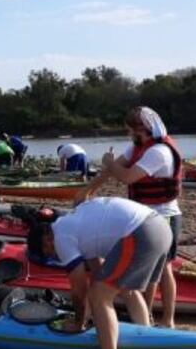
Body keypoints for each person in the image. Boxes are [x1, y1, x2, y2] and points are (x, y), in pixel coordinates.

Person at [27, 197, 171, 349]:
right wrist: (88, 315)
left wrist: (79, 323)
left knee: (99, 296)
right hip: (160, 227)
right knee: (124, 288)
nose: (53, 256)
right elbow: (98, 272)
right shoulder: (75, 222)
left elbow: (79, 289)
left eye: (47, 253)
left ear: (46, 239)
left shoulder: (61, 236)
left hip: (140, 232)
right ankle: (146, 342)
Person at [77, 106, 182, 328]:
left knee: (163, 269)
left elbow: (127, 177)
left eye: (129, 130)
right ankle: (147, 315)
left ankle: (168, 320)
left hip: (164, 216)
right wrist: (88, 191)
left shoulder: (158, 151)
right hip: (142, 217)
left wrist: (109, 162)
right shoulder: (137, 147)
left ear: (141, 129)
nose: (128, 135)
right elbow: (113, 169)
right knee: (147, 268)